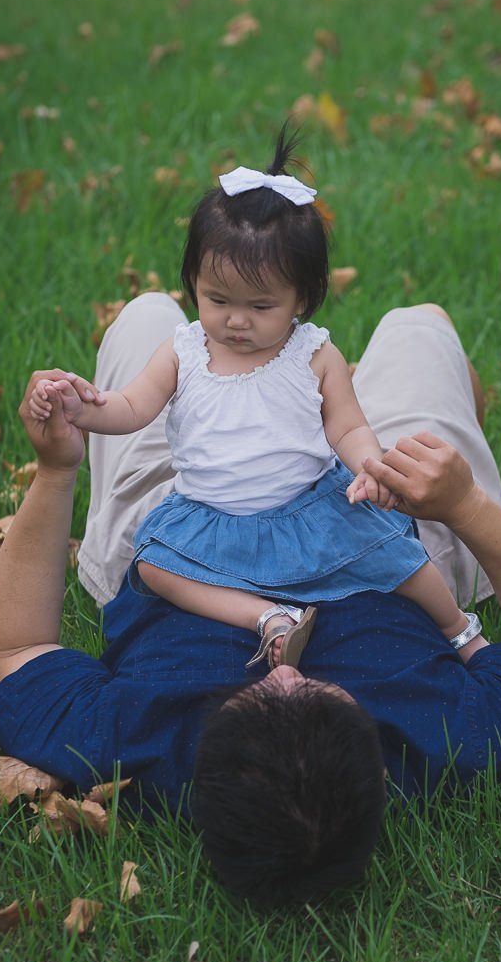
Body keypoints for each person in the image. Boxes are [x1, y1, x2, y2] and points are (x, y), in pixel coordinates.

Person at [0, 297, 501, 909]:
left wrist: (55, 470)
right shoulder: (451, 739)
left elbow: (18, 648)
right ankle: (326, 403)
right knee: (420, 325)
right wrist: (463, 505)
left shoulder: (130, 743)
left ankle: (296, 397)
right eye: (318, 694)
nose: (284, 671)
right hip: (382, 524)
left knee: (146, 316)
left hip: (186, 521)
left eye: (254, 696)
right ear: (379, 769)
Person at [26, 129, 475, 670]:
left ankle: (458, 629)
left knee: (397, 555)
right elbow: (132, 407)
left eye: (261, 307)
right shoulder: (185, 351)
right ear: (193, 283)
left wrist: (369, 465)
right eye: (217, 300)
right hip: (213, 519)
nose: (236, 321)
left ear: (302, 298)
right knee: (154, 567)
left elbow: (347, 427)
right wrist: (82, 408)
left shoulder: (313, 354)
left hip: (308, 508)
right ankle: (266, 617)